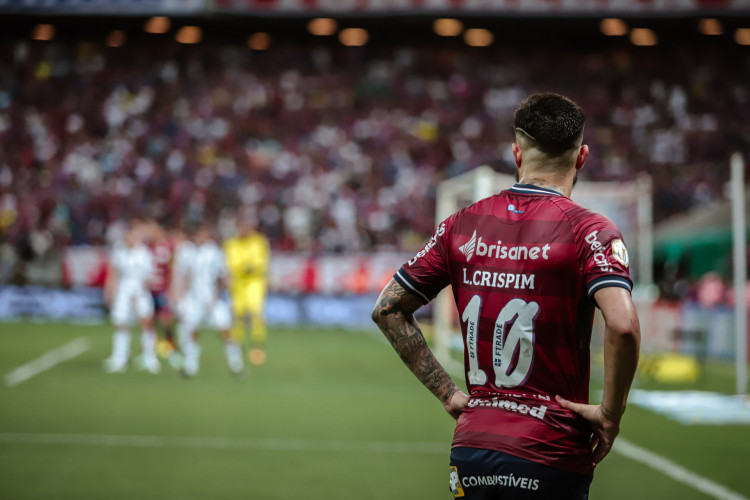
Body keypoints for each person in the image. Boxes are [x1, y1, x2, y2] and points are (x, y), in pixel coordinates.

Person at [372, 93, 641, 499]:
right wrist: (610, 414)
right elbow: (622, 326)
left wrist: (449, 394)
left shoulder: (460, 225)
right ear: (582, 157)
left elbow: (388, 308)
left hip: (473, 449)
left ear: (516, 153)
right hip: (549, 451)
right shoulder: (590, 230)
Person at [173, 224, 244, 377]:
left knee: (224, 329)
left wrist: (219, 296)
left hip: (212, 298)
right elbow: (181, 276)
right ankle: (190, 366)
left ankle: (236, 364)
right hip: (193, 298)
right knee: (192, 330)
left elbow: (222, 276)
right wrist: (179, 297)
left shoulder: (214, 252)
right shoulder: (185, 251)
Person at [103, 221, 161, 374]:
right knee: (121, 324)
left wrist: (138, 294)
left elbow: (148, 277)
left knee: (146, 324)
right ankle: (119, 358)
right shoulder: (119, 252)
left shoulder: (144, 253)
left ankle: (150, 358)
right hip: (123, 292)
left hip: (140, 292)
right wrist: (109, 292)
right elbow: (114, 274)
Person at [223, 215, 271, 365]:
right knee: (237, 316)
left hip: (255, 283)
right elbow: (230, 263)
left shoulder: (259, 241)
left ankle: (257, 348)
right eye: (242, 227)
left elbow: (261, 263)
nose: (245, 230)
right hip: (237, 284)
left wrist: (247, 268)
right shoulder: (231, 243)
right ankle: (239, 349)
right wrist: (244, 268)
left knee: (256, 314)